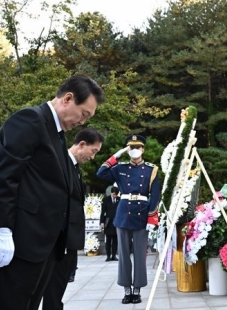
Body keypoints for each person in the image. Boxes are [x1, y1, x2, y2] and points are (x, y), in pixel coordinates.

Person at [0, 75, 105, 310]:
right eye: (84, 114)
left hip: (40, 246)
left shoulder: (56, 134)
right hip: (18, 241)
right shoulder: (30, 120)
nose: (82, 122)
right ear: (68, 99)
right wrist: (3, 228)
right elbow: (6, 177)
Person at [37, 128, 104, 310]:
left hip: (68, 240)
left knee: (58, 288)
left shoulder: (73, 167)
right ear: (82, 144)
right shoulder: (59, 163)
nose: (92, 157)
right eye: (93, 151)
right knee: (53, 289)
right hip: (59, 240)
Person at [96, 135, 161, 304]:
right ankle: (126, 290)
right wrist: (116, 156)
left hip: (142, 212)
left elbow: (155, 195)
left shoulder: (151, 169)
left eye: (138, 147)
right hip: (124, 213)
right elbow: (101, 173)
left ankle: (137, 290)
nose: (134, 150)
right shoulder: (120, 168)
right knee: (123, 254)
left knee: (140, 254)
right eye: (131, 147)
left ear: (143, 149)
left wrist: (151, 217)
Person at [101, 187, 121, 261]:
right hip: (108, 222)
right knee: (108, 240)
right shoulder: (106, 200)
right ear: (111, 193)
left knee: (115, 240)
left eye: (116, 195)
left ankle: (114, 255)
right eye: (113, 194)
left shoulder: (119, 200)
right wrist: (102, 222)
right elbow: (102, 212)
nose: (114, 196)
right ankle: (108, 255)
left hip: (116, 222)